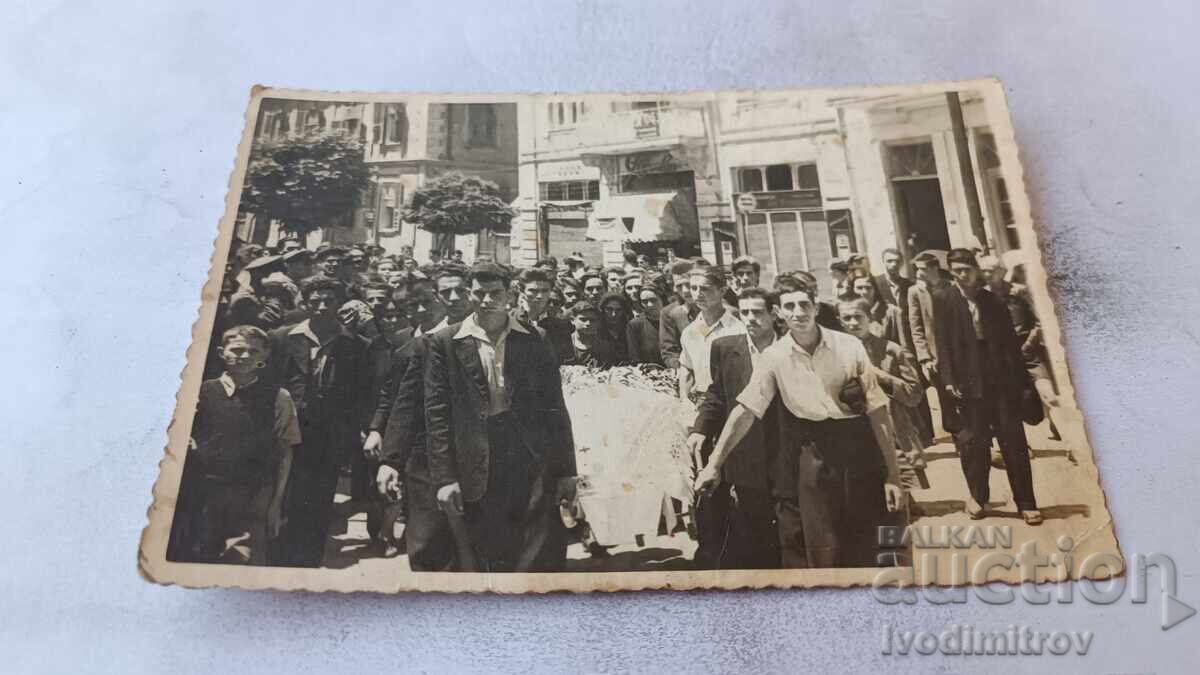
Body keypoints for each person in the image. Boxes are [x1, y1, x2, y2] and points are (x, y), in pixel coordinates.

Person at [694, 286, 904, 568]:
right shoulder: (774, 357)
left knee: (871, 540)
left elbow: (878, 411)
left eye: (804, 305)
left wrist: (893, 474)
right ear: (780, 313)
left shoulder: (848, 345)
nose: (799, 312)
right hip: (813, 454)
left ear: (816, 308)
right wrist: (714, 464)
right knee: (822, 543)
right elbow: (745, 411)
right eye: (790, 307)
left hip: (859, 446)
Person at [424, 263, 578, 572]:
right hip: (476, 452)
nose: (486, 300)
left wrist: (566, 471)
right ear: (469, 294)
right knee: (485, 543)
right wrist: (445, 478)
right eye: (479, 293)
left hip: (527, 450)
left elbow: (554, 408)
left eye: (495, 293)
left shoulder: (534, 338)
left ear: (509, 294)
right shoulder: (445, 342)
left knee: (534, 542)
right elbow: (437, 414)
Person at [168, 326, 299, 565]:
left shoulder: (278, 398)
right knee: (200, 558)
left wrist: (276, 503)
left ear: (265, 356)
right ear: (221, 352)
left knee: (244, 560)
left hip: (254, 494)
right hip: (205, 492)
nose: (245, 356)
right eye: (237, 349)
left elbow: (284, 452)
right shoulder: (199, 392)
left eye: (253, 350)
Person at [933, 249, 1042, 525]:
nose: (961, 275)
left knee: (1013, 441)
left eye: (966, 269)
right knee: (973, 444)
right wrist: (948, 380)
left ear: (975, 270)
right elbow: (943, 344)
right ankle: (978, 498)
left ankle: (1026, 503)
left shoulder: (992, 300)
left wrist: (1020, 381)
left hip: (999, 380)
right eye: (956, 270)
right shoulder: (944, 300)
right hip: (967, 383)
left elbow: (1009, 344)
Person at [270, 277, 372, 567]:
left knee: (318, 499)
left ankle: (307, 561)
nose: (322, 307)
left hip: (329, 438)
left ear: (339, 304)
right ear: (305, 303)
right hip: (287, 431)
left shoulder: (356, 345)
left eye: (329, 301)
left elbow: (361, 393)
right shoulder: (282, 338)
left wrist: (353, 433)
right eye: (315, 301)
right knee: (283, 493)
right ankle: (277, 558)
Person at [686, 287, 782, 570]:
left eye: (758, 312)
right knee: (751, 527)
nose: (750, 318)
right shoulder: (726, 348)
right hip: (744, 449)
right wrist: (700, 428)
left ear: (774, 314)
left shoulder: (789, 346)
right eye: (745, 312)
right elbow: (717, 395)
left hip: (785, 449)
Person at [837, 298, 931, 492]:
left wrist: (881, 377)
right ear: (840, 321)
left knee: (899, 482)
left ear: (869, 317)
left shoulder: (892, 350)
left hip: (892, 428)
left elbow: (914, 396)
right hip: (853, 430)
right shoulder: (834, 353)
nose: (853, 322)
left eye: (858, 316)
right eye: (847, 318)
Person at [678, 268, 746, 403]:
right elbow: (687, 368)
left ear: (722, 291)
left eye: (705, 288)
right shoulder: (689, 332)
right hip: (701, 404)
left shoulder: (739, 330)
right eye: (694, 288)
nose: (698, 294)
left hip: (732, 401)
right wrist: (684, 400)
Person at [907, 250, 952, 435]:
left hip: (954, 350)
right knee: (945, 397)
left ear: (934, 268)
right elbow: (915, 326)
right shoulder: (915, 292)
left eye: (923, 269)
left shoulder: (950, 287)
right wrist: (924, 357)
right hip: (934, 355)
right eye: (917, 269)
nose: (919, 274)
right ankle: (958, 438)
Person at [515, 268, 573, 365]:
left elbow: (566, 362)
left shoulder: (561, 325)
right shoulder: (511, 320)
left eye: (545, 291)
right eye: (533, 290)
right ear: (521, 290)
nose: (539, 296)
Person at [659, 259, 698, 370]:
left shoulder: (715, 307)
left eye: (689, 284)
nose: (685, 291)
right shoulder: (669, 313)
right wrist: (681, 368)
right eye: (680, 286)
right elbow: (669, 351)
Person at [850, 272, 905, 345]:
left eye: (868, 287)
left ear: (875, 289)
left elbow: (904, 346)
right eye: (859, 288)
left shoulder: (892, 312)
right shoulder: (848, 314)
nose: (864, 292)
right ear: (852, 290)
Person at [562, 301, 618, 368]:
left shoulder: (604, 347)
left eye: (592, 320)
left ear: (598, 322)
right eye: (583, 319)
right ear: (572, 320)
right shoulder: (563, 344)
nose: (588, 323)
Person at [626, 286, 665, 366]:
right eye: (645, 302)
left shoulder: (672, 320)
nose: (650, 305)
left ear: (662, 299)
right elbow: (635, 358)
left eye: (653, 300)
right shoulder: (635, 325)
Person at [598, 292, 634, 365]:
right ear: (602, 310)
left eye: (619, 310)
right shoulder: (596, 330)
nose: (614, 314)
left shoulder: (630, 330)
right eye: (609, 309)